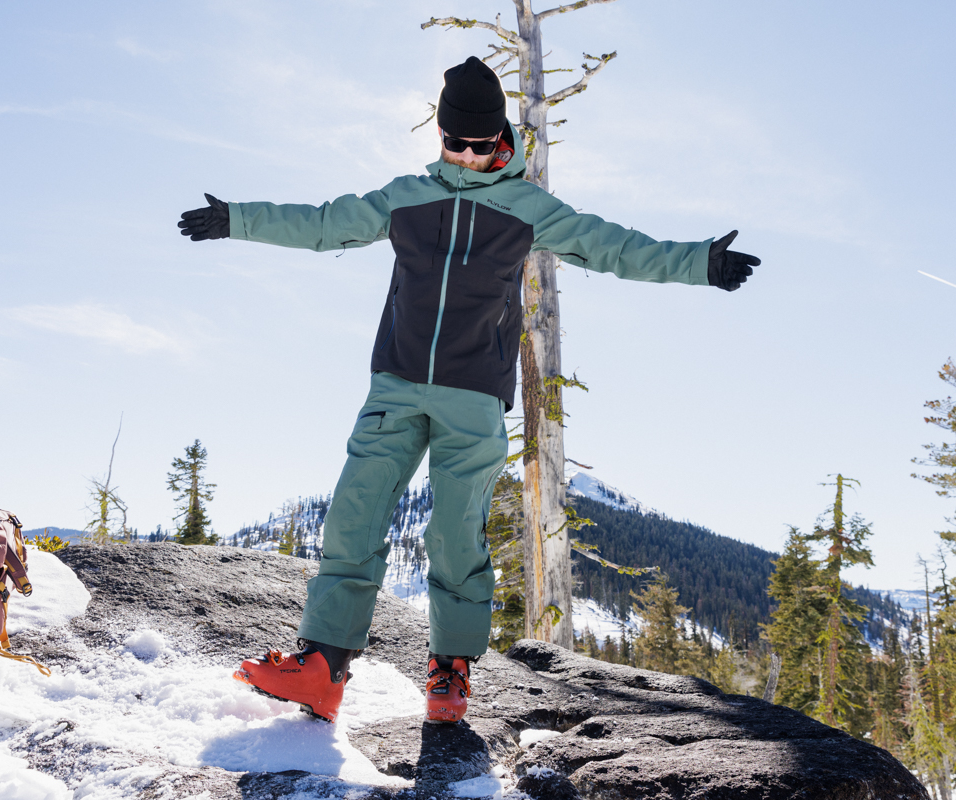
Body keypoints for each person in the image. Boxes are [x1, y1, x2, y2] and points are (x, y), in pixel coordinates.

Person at [177, 56, 760, 724]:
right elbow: (322, 222)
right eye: (455, 143)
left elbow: (613, 246)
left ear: (502, 140)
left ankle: (449, 672)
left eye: (480, 145)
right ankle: (322, 667)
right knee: (354, 515)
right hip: (397, 381)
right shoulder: (407, 196)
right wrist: (236, 219)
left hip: (474, 395)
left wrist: (699, 263)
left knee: (456, 533)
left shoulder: (527, 206)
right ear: (441, 138)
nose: (467, 154)